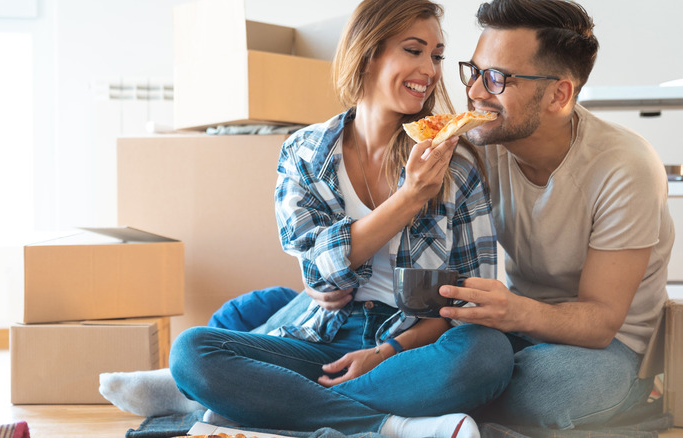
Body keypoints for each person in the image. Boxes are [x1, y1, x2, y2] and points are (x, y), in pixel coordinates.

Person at [165, 0, 515, 436]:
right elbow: (319, 273)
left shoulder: (455, 164)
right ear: (367, 54)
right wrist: (409, 198)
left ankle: (265, 406)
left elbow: (468, 303)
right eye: (413, 50)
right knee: (191, 351)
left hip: (409, 350)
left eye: (437, 56)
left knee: (488, 352)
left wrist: (386, 352)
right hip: (323, 338)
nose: (430, 70)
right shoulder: (304, 153)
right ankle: (392, 427)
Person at [437, 0, 673, 429]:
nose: (474, 92)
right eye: (474, 71)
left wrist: (512, 314)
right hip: (515, 327)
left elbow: (601, 322)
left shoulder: (626, 167)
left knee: (543, 390)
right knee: (455, 360)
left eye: (496, 78)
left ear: (558, 95)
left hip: (608, 346)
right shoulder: (481, 145)